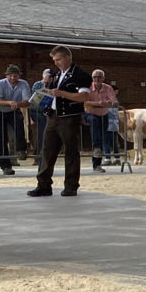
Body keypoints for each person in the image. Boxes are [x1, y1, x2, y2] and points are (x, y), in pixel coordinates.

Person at [29, 46, 92, 198]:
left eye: (58, 60)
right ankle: (43, 185)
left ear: (67, 58)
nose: (56, 63)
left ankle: (71, 185)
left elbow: (84, 97)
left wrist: (62, 93)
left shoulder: (80, 75)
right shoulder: (57, 75)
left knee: (71, 151)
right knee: (47, 151)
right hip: (53, 115)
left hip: (69, 117)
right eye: (54, 60)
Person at [0, 64, 30, 174]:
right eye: (10, 75)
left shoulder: (23, 83)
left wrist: (16, 104)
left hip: (14, 110)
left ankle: (21, 149)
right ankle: (5, 166)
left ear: (19, 76)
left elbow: (27, 100)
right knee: (1, 138)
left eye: (15, 76)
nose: (13, 78)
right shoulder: (0, 83)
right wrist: (9, 103)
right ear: (6, 76)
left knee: (19, 126)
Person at [83, 69, 118, 172]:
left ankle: (97, 164)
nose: (97, 79)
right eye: (95, 77)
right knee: (94, 123)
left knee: (103, 137)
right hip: (89, 114)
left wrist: (112, 103)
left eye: (99, 77)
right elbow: (84, 102)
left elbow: (114, 101)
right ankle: (96, 149)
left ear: (103, 78)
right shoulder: (88, 88)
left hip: (103, 114)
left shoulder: (108, 88)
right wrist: (99, 103)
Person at [28, 66, 53, 154]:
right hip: (37, 111)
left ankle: (46, 152)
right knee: (41, 129)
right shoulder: (38, 84)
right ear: (43, 76)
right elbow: (35, 100)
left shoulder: (53, 85)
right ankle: (39, 153)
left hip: (47, 111)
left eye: (50, 77)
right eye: (47, 76)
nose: (48, 78)